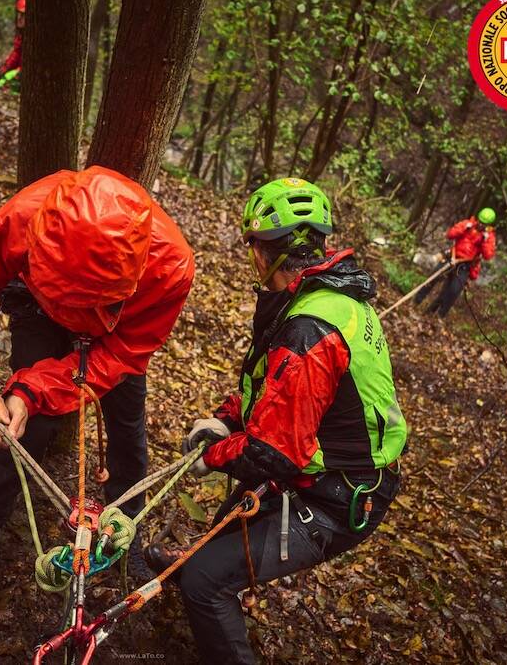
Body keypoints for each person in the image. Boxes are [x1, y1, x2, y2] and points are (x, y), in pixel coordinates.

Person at [148, 178, 405, 665]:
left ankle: (201, 580)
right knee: (230, 519)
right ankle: (197, 566)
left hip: (336, 500)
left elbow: (274, 453)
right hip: (336, 477)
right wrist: (227, 419)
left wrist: (212, 456)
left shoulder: (310, 327)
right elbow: (278, 390)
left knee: (206, 584)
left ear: (264, 253)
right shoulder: (333, 298)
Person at [0, 165, 195, 588]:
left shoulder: (169, 266)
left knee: (128, 431)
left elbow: (123, 354)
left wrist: (36, 389)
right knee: (25, 424)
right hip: (38, 305)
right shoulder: (23, 218)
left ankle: (125, 527)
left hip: (116, 333)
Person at [414, 207, 497, 318]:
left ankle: (437, 315)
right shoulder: (467, 224)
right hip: (452, 257)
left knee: (453, 291)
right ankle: (416, 301)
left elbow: (488, 255)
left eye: (484, 224)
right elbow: (450, 234)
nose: (481, 225)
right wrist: (463, 228)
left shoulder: (489, 237)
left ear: (489, 225)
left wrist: (485, 241)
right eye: (480, 222)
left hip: (465, 266)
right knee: (433, 278)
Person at [0, 0, 26, 80]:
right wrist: (6, 67)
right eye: (19, 14)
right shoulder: (21, 35)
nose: (19, 18)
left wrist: (19, 71)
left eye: (23, 15)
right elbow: (17, 54)